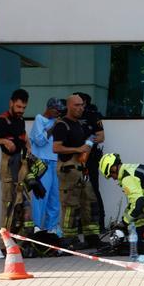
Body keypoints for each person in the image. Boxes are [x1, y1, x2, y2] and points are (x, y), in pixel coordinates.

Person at [0, 89, 43, 237]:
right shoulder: (1, 121)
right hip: (8, 168)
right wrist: (3, 141)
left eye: (24, 108)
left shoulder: (19, 120)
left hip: (22, 167)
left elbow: (24, 136)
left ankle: (22, 242)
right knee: (9, 206)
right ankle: (5, 245)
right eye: (19, 107)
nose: (21, 110)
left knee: (23, 206)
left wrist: (28, 148)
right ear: (11, 103)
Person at [52, 94, 102, 250]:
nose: (81, 108)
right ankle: (69, 239)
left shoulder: (78, 125)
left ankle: (92, 237)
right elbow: (56, 147)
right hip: (68, 169)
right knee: (70, 205)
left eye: (82, 105)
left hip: (81, 169)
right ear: (69, 106)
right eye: (77, 105)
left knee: (90, 202)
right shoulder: (62, 125)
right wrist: (78, 149)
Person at [29, 97, 65, 234]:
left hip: (54, 162)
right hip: (42, 163)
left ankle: (52, 229)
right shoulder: (40, 119)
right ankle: (37, 227)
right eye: (57, 110)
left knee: (54, 197)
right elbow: (39, 141)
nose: (58, 113)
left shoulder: (55, 121)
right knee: (40, 196)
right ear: (49, 109)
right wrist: (54, 126)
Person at [74, 92, 106, 232]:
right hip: (74, 159)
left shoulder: (92, 115)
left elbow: (101, 137)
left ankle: (100, 223)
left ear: (85, 102)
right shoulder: (70, 116)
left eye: (79, 102)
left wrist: (87, 142)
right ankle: (81, 224)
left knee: (93, 190)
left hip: (90, 159)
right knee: (77, 192)